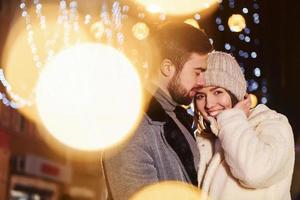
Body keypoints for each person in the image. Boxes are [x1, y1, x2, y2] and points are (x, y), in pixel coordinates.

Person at [103, 22, 213, 200]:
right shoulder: (130, 125)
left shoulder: (178, 116)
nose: (202, 82)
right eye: (197, 72)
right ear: (167, 68)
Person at [194, 51, 295, 200]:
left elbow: (254, 172)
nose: (209, 104)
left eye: (217, 92)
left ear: (235, 93)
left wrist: (233, 119)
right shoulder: (206, 138)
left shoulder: (273, 124)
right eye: (200, 96)